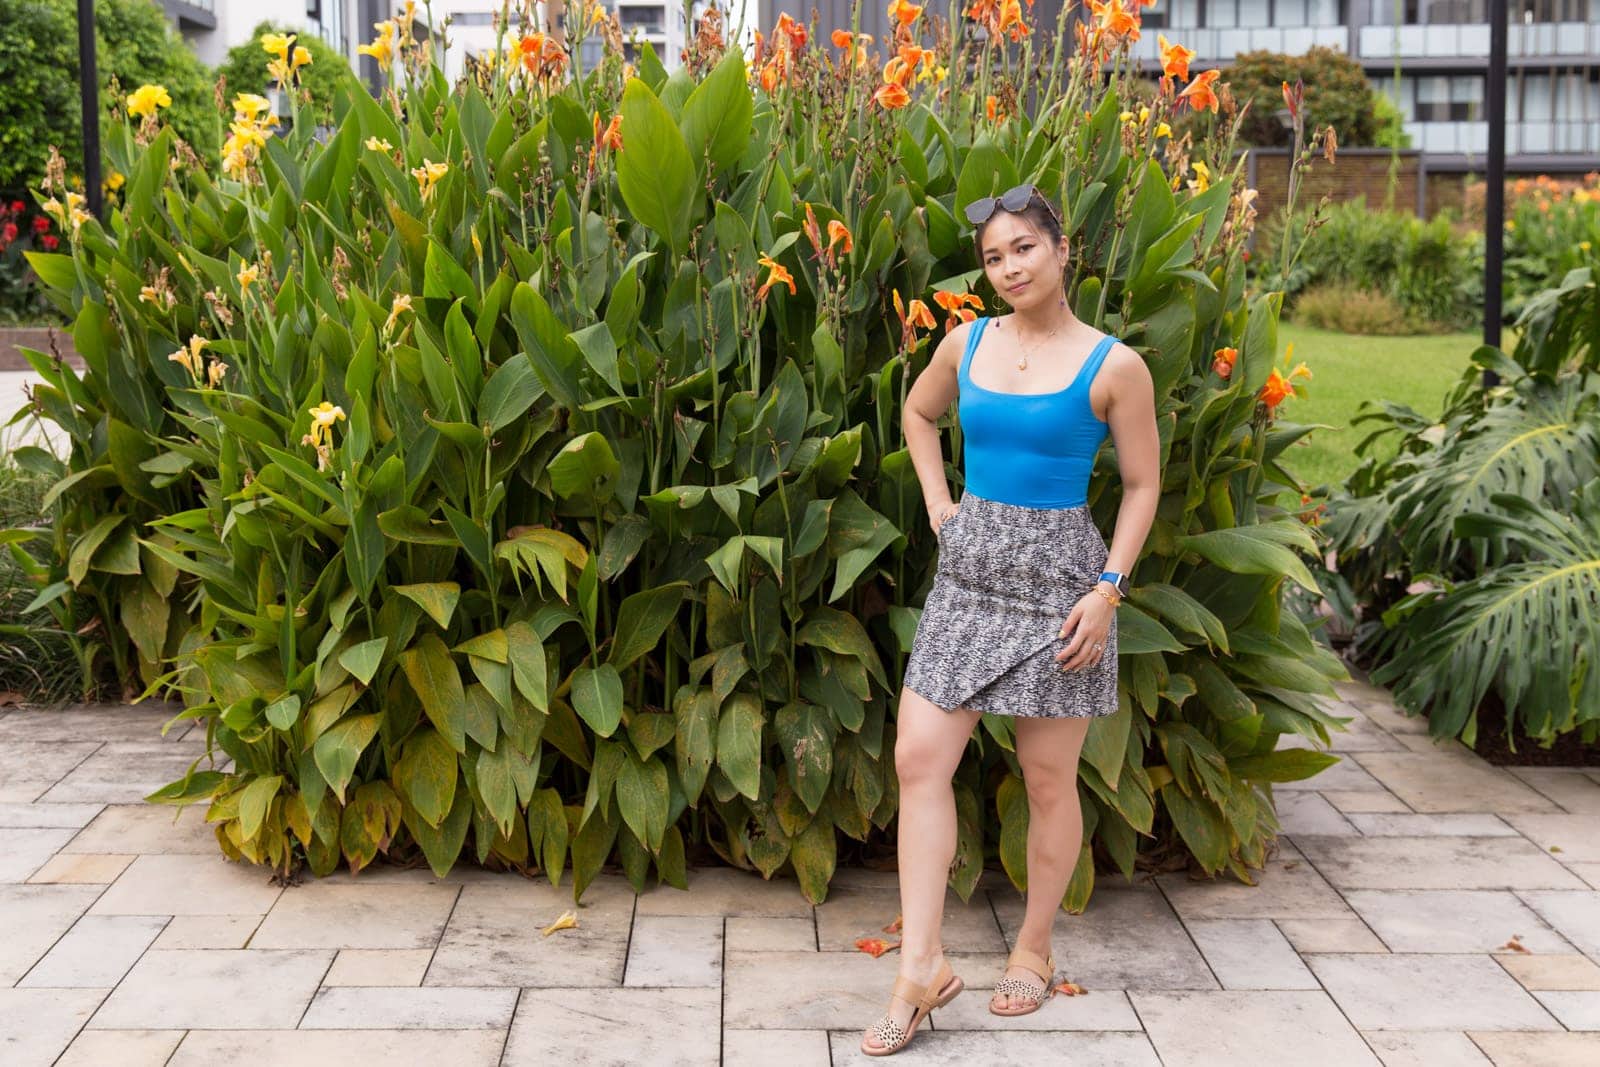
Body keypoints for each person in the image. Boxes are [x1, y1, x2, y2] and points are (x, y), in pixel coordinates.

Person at [859, 184, 1161, 1056]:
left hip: (1064, 580)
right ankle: (921, 966)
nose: (1009, 268)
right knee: (920, 753)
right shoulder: (967, 341)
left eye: (1024, 248)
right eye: (994, 257)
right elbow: (919, 414)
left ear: (1062, 249)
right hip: (971, 568)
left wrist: (1109, 590)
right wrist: (936, 500)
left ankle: (1033, 945)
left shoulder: (1115, 366)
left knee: (1045, 778)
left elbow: (1142, 485)